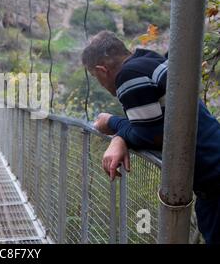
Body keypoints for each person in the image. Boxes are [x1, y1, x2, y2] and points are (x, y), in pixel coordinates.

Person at [81, 30, 220, 244]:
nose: (98, 81)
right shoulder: (148, 61)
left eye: (93, 76)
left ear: (102, 70)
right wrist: (121, 136)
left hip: (214, 182)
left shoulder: (127, 77)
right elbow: (153, 126)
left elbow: (150, 135)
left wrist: (111, 123)